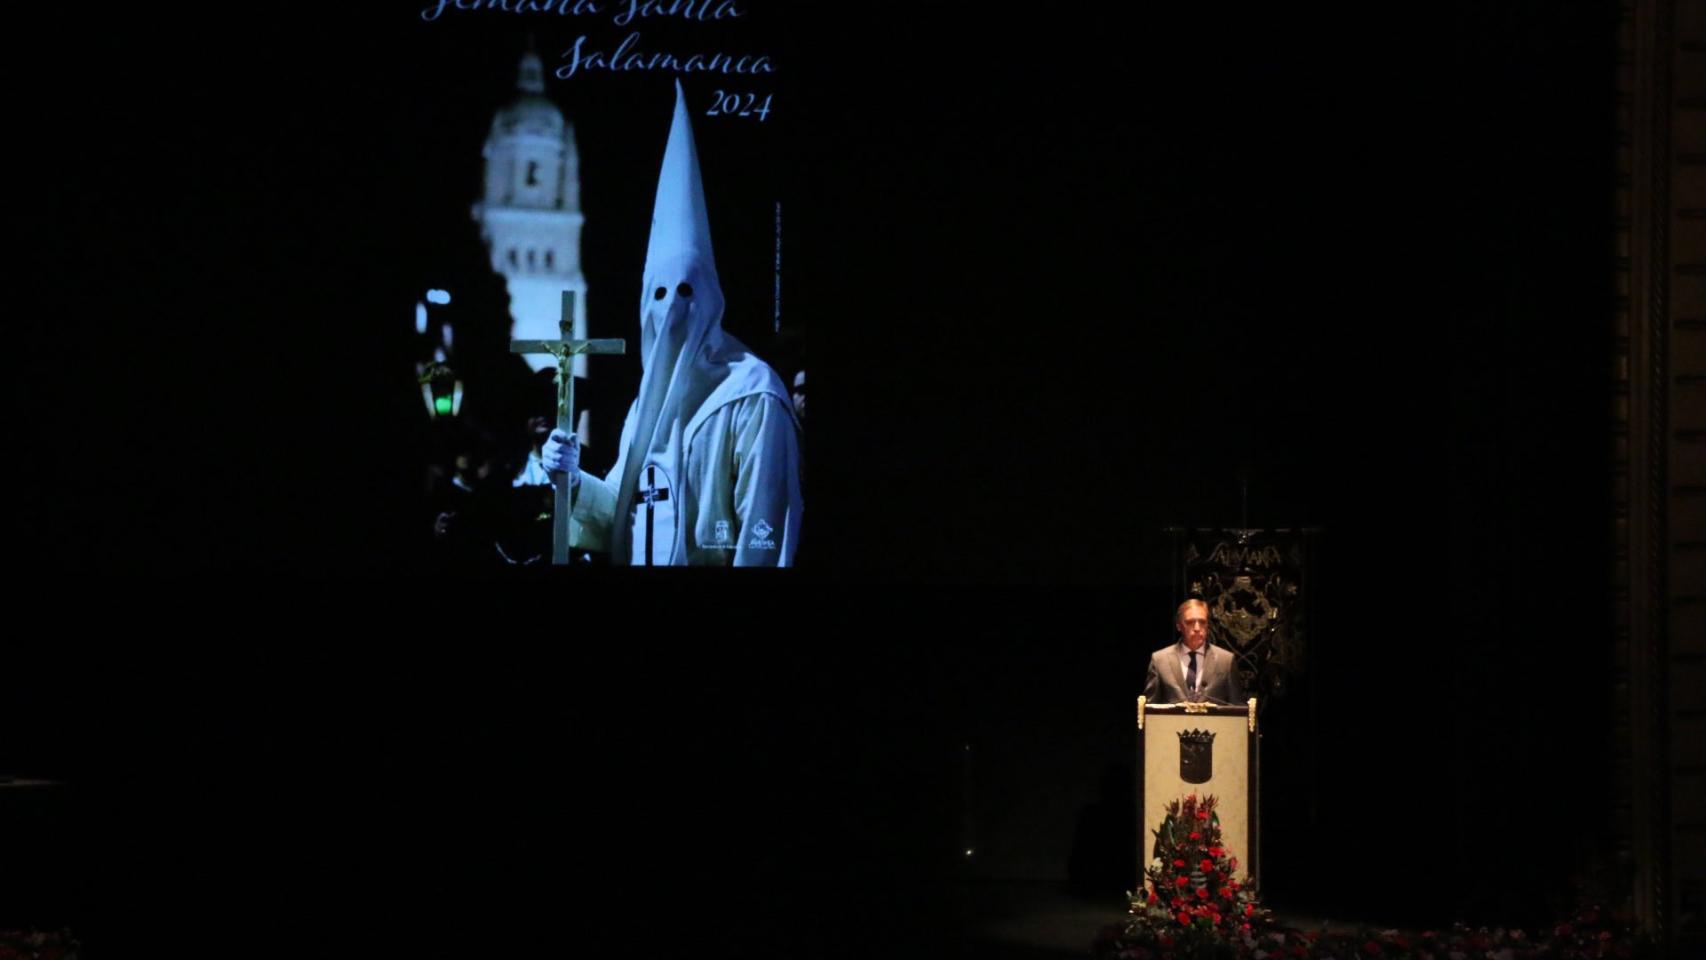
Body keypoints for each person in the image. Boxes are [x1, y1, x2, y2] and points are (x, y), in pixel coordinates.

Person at [541, 81, 802, 566]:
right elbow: (622, 513)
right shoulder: (648, 404)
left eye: (688, 291)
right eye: (660, 294)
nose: (674, 308)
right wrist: (573, 478)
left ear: (712, 297)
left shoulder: (751, 394)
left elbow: (765, 533)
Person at [1142, 599, 1245, 704]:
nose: (1197, 628)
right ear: (1179, 625)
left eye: (1202, 622)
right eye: (1190, 622)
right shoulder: (1160, 660)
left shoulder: (1226, 661)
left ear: (1207, 625)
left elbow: (1237, 708)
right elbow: (1150, 711)